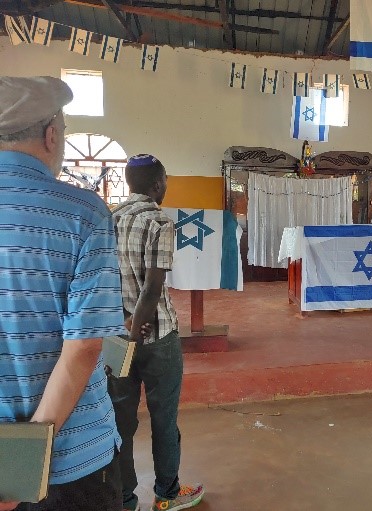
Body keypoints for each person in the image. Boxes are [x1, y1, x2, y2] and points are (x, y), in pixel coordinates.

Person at [0, 76, 126, 510]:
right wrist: (17, 472)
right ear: (52, 135)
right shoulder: (83, 212)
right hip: (72, 461)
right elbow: (85, 347)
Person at [109, 154, 204, 511]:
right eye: (165, 181)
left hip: (117, 336)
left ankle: (123, 498)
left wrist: (125, 325)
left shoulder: (110, 218)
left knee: (121, 420)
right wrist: (137, 330)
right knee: (164, 419)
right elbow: (152, 287)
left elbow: (103, 280)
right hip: (156, 336)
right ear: (156, 184)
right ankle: (166, 495)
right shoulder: (160, 222)